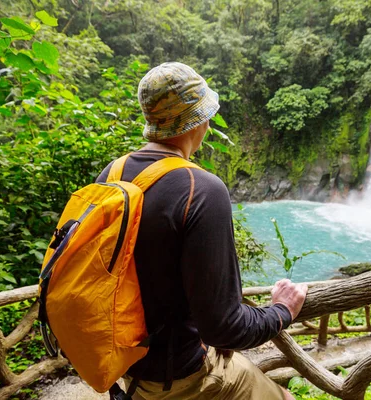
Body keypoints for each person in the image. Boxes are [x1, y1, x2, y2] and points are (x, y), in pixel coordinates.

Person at [96, 62, 308, 400]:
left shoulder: (113, 173)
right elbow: (225, 328)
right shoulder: (201, 188)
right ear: (200, 120)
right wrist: (282, 311)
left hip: (125, 364)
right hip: (180, 376)